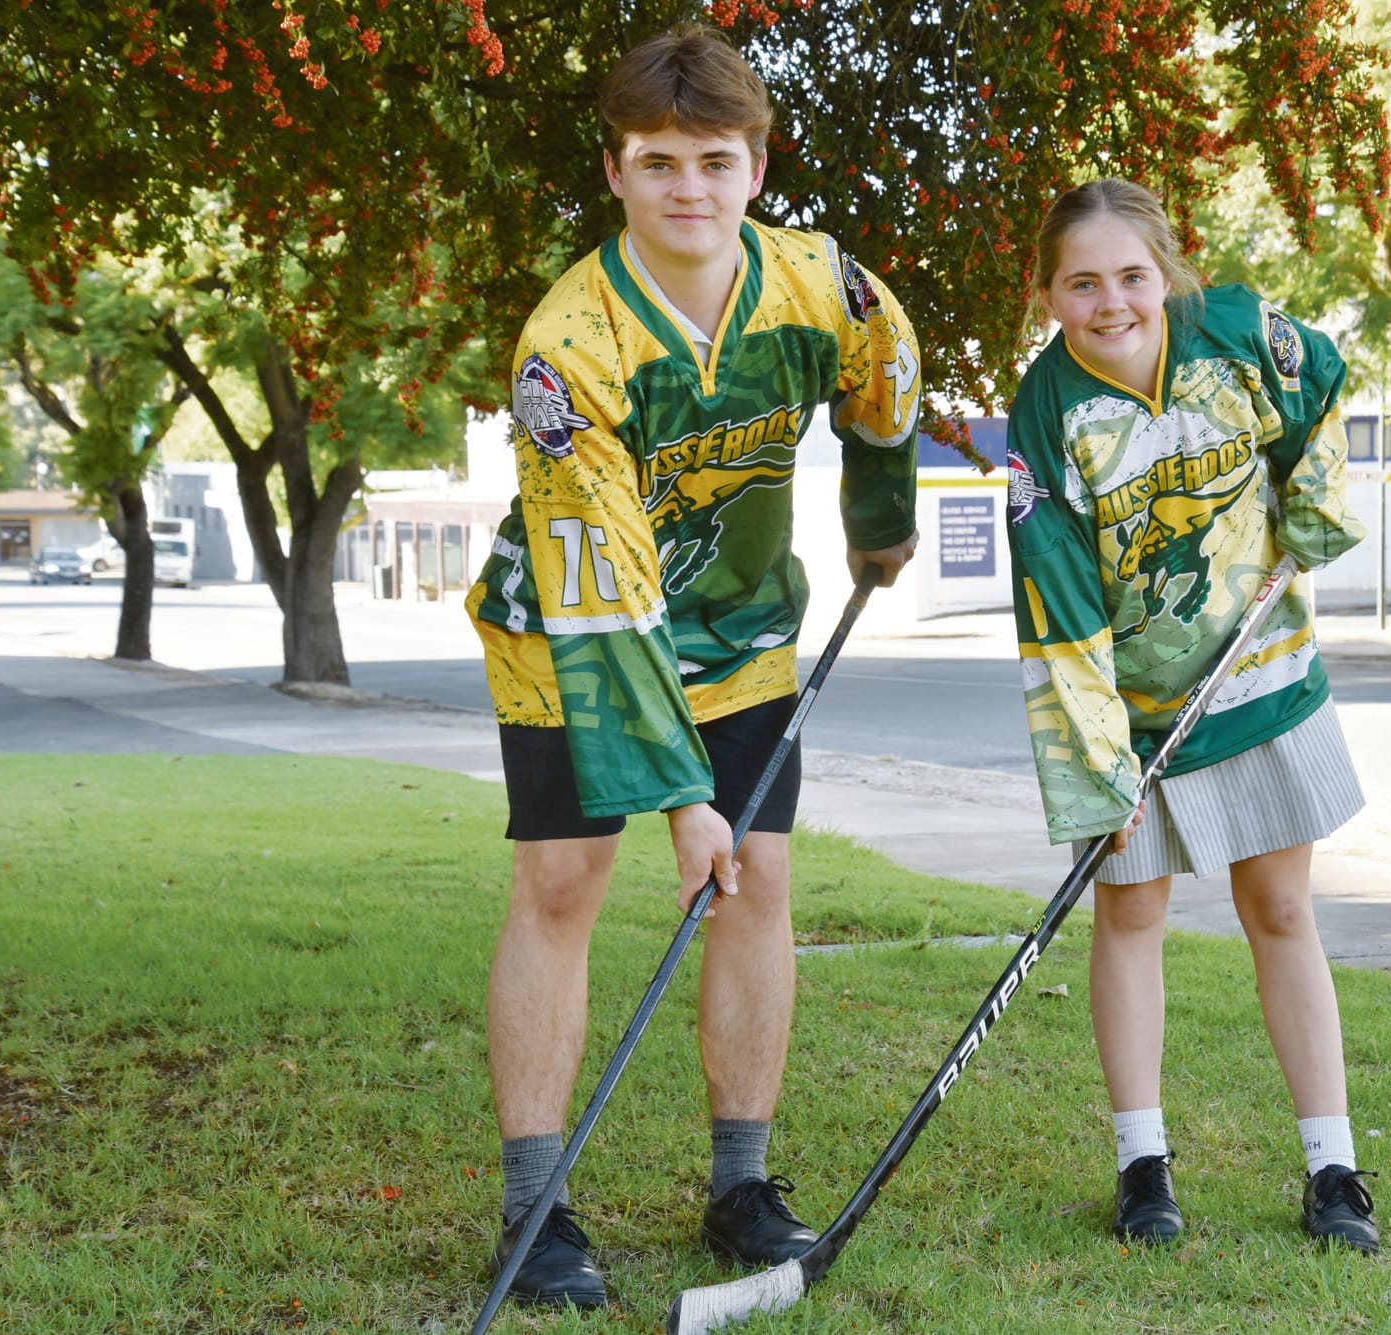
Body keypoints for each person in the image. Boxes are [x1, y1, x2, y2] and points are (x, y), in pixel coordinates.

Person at [464, 25, 921, 1308]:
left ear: (755, 167)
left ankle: (740, 1190)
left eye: (713, 162)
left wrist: (877, 519)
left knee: (756, 880)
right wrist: (678, 800)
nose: (687, 190)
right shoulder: (571, 342)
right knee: (565, 882)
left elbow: (888, 375)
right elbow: (604, 592)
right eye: (656, 162)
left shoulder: (820, 287)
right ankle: (533, 1210)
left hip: (739, 628)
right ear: (613, 172)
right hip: (570, 630)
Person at [1002, 178, 1378, 1255]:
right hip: (1127, 709)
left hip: (1259, 675)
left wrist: (1307, 506)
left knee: (1281, 911)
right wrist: (1096, 764)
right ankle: (1140, 1164)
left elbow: (1323, 385)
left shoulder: (1235, 330)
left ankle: (1333, 1167)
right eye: (1082, 283)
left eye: (1131, 276)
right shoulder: (1046, 412)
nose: (1111, 301)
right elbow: (1053, 588)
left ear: (1166, 271)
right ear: (1049, 297)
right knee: (1128, 915)